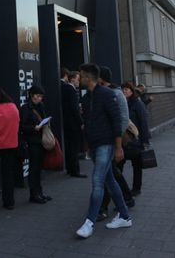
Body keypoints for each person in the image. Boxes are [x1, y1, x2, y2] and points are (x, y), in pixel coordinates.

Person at [76, 63, 132, 238]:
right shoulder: (85, 99)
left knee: (97, 180)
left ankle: (89, 222)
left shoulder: (108, 95)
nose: (79, 79)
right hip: (94, 146)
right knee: (110, 181)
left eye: (81, 76)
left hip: (106, 145)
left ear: (88, 77)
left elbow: (117, 122)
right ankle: (124, 216)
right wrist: (87, 146)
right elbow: (87, 124)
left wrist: (118, 147)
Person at [97, 67, 133, 219]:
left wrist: (116, 142)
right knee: (112, 172)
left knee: (106, 173)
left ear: (102, 79)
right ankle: (127, 198)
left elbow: (122, 119)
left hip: (111, 141)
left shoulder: (115, 94)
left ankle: (103, 207)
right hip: (106, 140)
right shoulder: (105, 93)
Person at [19, 85, 51, 203]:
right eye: (37, 96)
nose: (39, 99)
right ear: (31, 95)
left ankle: (39, 192)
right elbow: (22, 126)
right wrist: (34, 128)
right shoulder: (25, 108)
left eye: (41, 96)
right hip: (32, 141)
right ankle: (34, 194)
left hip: (40, 139)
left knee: (39, 168)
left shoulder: (40, 106)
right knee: (34, 168)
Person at [126, 82, 150, 196]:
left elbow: (143, 123)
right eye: (123, 89)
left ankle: (136, 188)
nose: (124, 91)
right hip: (124, 141)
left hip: (136, 140)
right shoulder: (122, 103)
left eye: (127, 89)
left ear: (132, 91)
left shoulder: (138, 104)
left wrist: (145, 141)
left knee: (137, 166)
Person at [61, 67, 86, 177]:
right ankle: (75, 170)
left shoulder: (65, 89)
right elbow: (74, 109)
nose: (79, 81)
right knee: (74, 147)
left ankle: (71, 169)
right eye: (77, 79)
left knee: (70, 147)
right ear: (72, 79)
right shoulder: (71, 90)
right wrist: (81, 122)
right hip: (73, 124)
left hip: (67, 123)